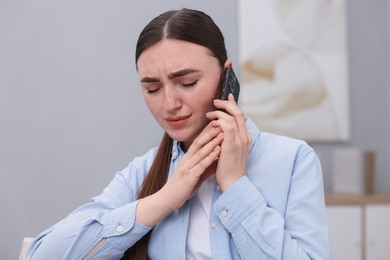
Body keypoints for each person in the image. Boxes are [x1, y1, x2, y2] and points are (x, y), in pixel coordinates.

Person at [27, 8, 330, 260]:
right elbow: (41, 255)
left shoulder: (292, 161)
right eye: (152, 89)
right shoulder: (143, 173)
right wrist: (167, 197)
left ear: (227, 77)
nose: (170, 104)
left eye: (187, 83)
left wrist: (236, 187)